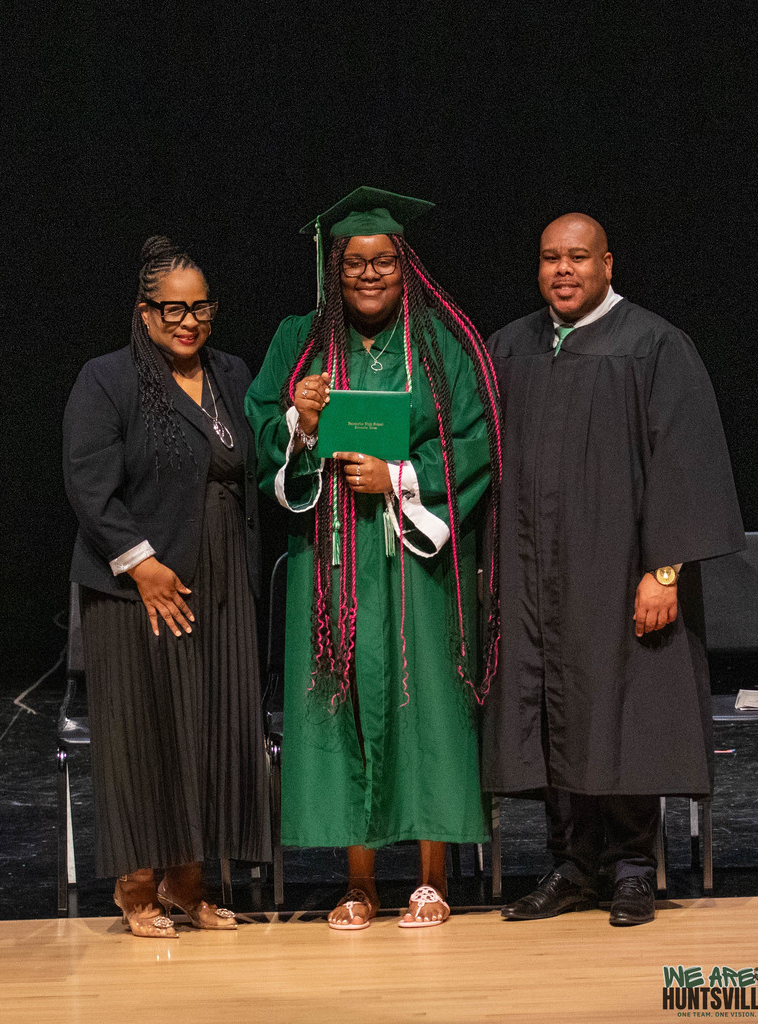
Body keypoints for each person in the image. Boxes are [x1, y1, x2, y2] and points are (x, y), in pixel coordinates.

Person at [245, 188, 503, 929]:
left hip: (413, 556)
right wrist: (299, 417)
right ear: (334, 268)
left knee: (427, 706)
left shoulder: (439, 345)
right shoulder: (299, 341)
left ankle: (429, 878)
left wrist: (393, 477)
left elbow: (476, 440)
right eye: (354, 262)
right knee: (341, 703)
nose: (368, 273)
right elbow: (262, 429)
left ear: (404, 264)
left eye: (382, 260)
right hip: (329, 557)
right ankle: (357, 882)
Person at [482, 214, 744, 926]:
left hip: (620, 571)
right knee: (549, 713)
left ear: (605, 264)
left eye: (576, 258)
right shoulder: (509, 348)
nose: (561, 271)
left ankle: (631, 869)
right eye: (548, 259)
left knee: (624, 714)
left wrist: (664, 570)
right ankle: (569, 867)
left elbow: (684, 460)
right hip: (534, 574)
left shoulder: (652, 344)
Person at [63, 236, 270, 937]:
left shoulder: (234, 374)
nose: (188, 320)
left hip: (220, 579)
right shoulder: (108, 379)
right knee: (145, 733)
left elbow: (261, 459)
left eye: (200, 306)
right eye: (172, 308)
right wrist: (142, 565)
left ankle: (191, 879)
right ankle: (138, 883)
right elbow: (90, 485)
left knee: (214, 728)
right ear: (145, 313)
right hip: (139, 589)